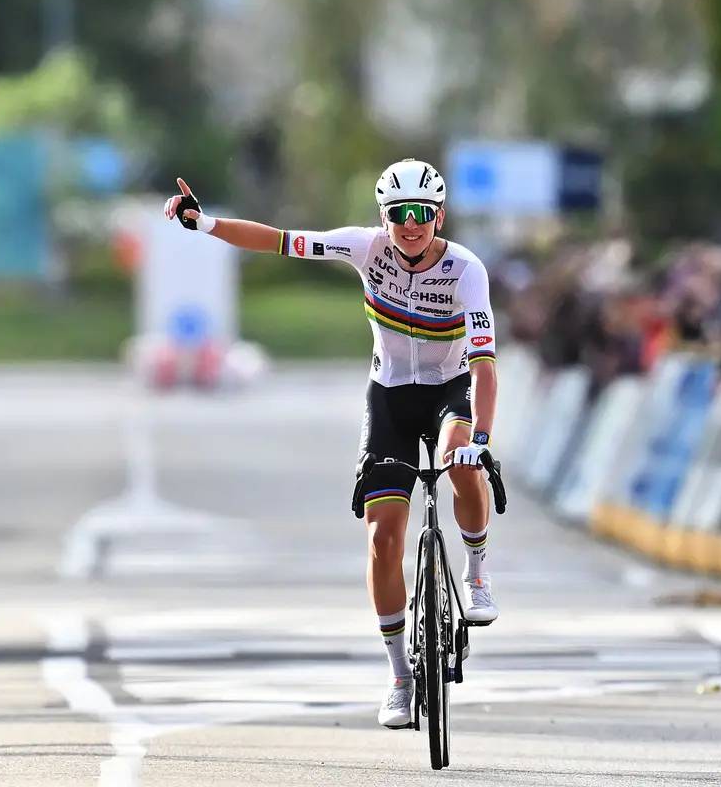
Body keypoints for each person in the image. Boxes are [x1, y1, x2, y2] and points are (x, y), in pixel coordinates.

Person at [162, 160, 499, 731]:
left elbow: (485, 365)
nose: (411, 225)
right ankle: (399, 677)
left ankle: (476, 569)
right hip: (389, 395)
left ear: (439, 215)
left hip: (450, 389)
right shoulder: (364, 249)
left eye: (422, 214)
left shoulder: (466, 269)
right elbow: (277, 241)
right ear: (384, 216)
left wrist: (482, 440)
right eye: (400, 214)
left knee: (458, 457)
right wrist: (206, 224)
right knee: (382, 538)